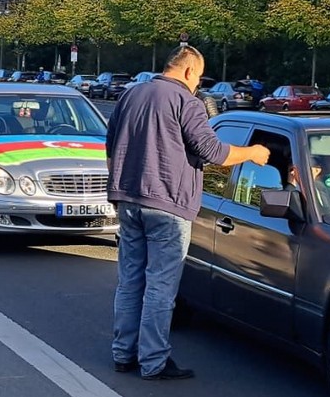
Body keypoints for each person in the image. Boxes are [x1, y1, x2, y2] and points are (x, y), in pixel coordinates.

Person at [107, 45, 270, 380]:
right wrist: (252, 152)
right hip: (168, 204)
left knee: (130, 280)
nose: (198, 85)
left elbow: (110, 148)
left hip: (128, 199)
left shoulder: (130, 95)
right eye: (198, 77)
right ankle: (152, 361)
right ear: (188, 72)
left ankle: (123, 354)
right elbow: (214, 153)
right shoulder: (186, 102)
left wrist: (117, 192)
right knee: (160, 286)